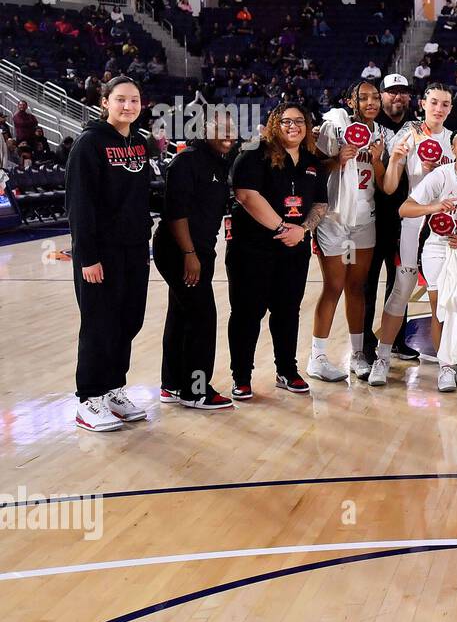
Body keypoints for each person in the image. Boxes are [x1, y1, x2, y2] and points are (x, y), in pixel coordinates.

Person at [65, 77, 155, 431]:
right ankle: (90, 398)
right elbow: (79, 204)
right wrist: (87, 256)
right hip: (100, 253)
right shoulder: (89, 144)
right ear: (105, 102)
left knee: (128, 321)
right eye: (120, 100)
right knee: (99, 323)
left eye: (134, 100)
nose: (128, 106)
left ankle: (114, 389)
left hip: (135, 249)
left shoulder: (140, 143)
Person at [227, 102, 328, 399]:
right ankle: (241, 377)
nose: (293, 126)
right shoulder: (254, 153)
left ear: (307, 126)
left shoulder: (312, 161)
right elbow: (246, 195)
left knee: (287, 312)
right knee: (248, 313)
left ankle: (287, 370)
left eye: (299, 121)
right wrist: (284, 229)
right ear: (274, 123)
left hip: (295, 249)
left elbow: (320, 204)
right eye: (286, 121)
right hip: (252, 248)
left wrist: (304, 230)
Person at [368, 81, 454, 384]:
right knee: (401, 290)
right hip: (413, 224)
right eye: (434, 103)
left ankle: (447, 365)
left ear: (450, 109)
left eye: (445, 104)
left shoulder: (455, 142)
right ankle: (382, 356)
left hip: (442, 227)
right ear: (423, 104)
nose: (439, 109)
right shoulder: (408, 135)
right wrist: (393, 160)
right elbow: (390, 187)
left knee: (440, 296)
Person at [400, 129, 457, 392]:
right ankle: (446, 367)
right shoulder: (440, 176)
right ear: (453, 149)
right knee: (442, 307)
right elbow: (405, 208)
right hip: (437, 248)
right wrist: (433, 207)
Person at [155, 113, 238, 410]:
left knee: (181, 314)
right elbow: (175, 214)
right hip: (179, 249)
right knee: (203, 317)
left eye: (232, 128)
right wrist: (189, 255)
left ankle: (172, 384)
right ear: (204, 131)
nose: (228, 134)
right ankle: (197, 390)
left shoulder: (220, 159)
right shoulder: (186, 161)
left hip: (199, 249)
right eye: (221, 128)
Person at [309, 80, 388, 382]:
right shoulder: (334, 124)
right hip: (334, 219)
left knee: (358, 288)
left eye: (375, 98)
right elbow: (314, 168)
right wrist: (336, 160)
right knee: (334, 286)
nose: (371, 102)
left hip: (364, 219)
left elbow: (382, 184)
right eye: (364, 97)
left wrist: (378, 160)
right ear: (350, 101)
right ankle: (317, 357)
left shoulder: (381, 134)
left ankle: (357, 353)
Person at [362, 73, 417, 363]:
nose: (397, 97)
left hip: (405, 217)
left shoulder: (418, 129)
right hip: (372, 216)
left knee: (401, 280)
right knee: (369, 282)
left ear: (409, 97)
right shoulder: (368, 129)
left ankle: (396, 338)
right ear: (380, 96)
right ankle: (366, 343)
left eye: (402, 92)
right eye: (391, 92)